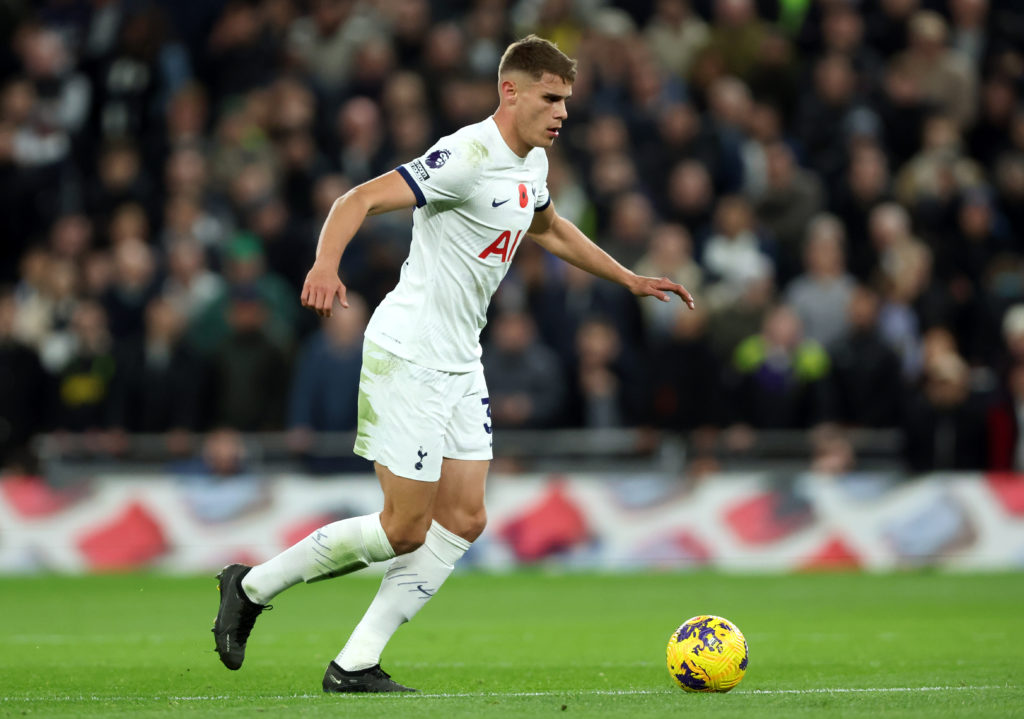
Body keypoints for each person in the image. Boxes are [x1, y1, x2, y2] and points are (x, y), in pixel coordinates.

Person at [210, 35, 694, 693]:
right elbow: (355, 200)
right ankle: (253, 584)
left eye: (567, 101)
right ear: (510, 91)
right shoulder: (465, 156)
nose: (562, 113)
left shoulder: (532, 166)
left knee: (465, 517)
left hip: (460, 359)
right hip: (408, 351)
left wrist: (627, 277)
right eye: (551, 98)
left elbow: (548, 228)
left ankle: (354, 664)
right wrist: (325, 263)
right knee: (403, 528)